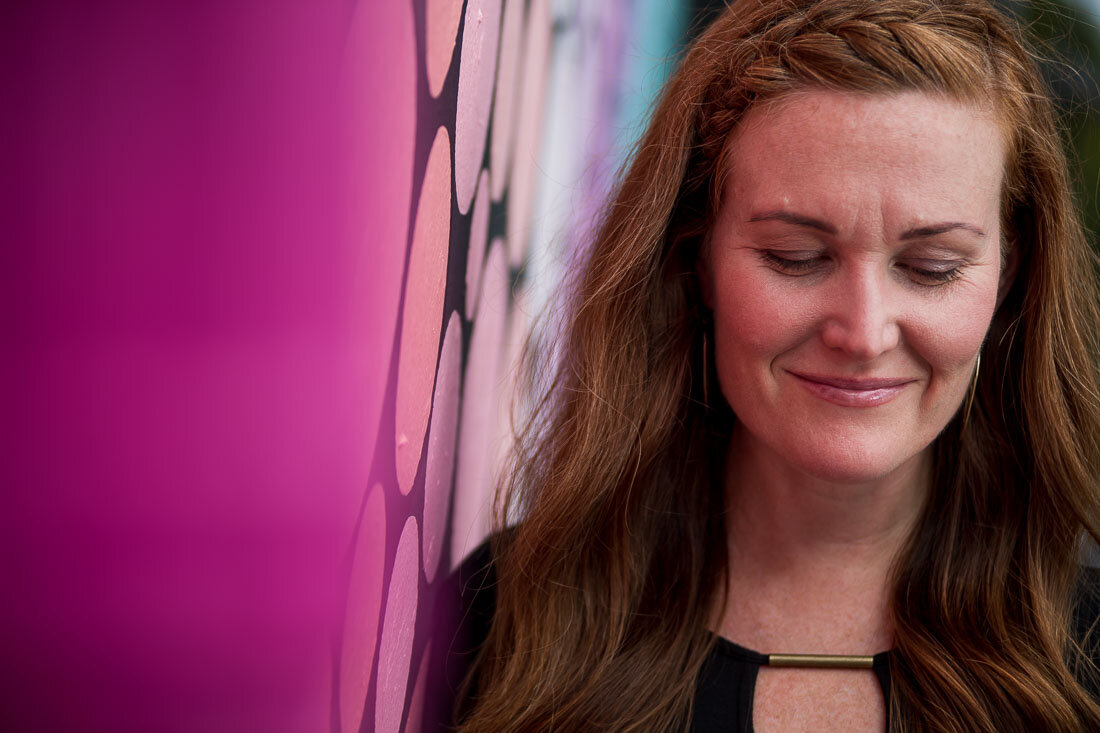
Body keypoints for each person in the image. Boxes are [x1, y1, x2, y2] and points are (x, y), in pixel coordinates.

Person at [442, 0, 1100, 730]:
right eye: (797, 257)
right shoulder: (504, 615)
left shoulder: (1088, 654)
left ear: (1009, 278)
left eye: (931, 267)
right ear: (696, 257)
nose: (864, 332)